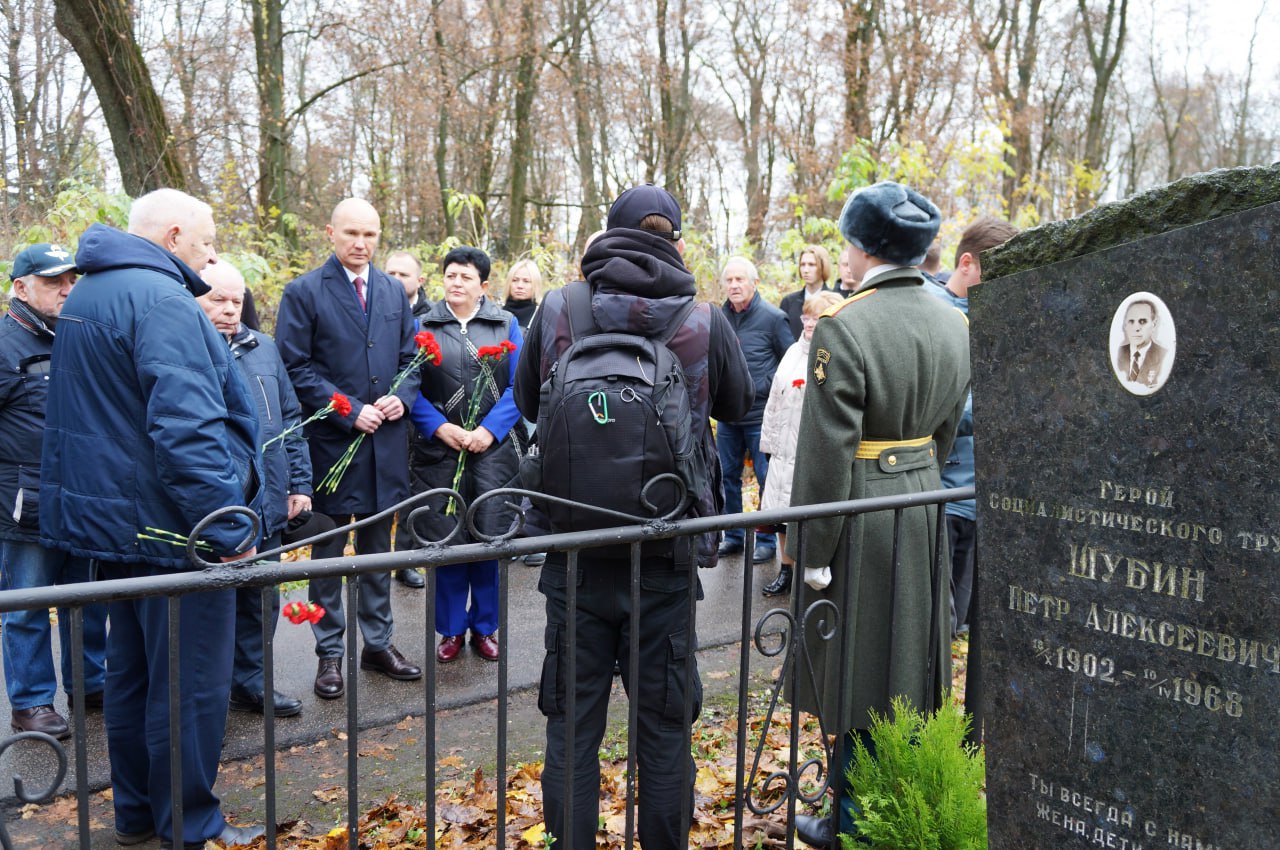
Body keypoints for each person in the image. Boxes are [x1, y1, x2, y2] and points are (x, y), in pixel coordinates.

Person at [515, 184, 753, 850]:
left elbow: (529, 401)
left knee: (572, 728)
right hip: (665, 555)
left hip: (575, 555)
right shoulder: (704, 318)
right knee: (664, 730)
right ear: (675, 239)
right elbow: (738, 405)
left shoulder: (562, 306)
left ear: (608, 232)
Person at [40, 189, 266, 849]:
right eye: (205, 239)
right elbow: (188, 429)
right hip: (175, 533)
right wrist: (227, 532)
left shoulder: (88, 294)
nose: (211, 252)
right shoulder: (162, 299)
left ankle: (138, 814)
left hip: (117, 526)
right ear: (173, 235)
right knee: (190, 688)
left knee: (133, 680)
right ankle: (190, 825)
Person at [786, 181, 970, 848]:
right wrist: (917, 472)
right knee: (907, 674)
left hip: (861, 517)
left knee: (859, 679)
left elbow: (825, 456)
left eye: (848, 242)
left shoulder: (847, 325)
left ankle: (855, 826)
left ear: (865, 248)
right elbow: (945, 433)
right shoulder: (956, 321)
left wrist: (811, 554)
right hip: (921, 508)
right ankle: (874, 812)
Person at [275, 198, 423, 700]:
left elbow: (411, 359)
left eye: (370, 235)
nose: (361, 244)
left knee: (380, 553)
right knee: (329, 557)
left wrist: (401, 397)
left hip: (385, 447)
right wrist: (346, 408)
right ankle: (329, 652)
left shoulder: (392, 291)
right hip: (333, 449)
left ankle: (378, 644)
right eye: (352, 234)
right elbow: (294, 367)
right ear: (330, 233)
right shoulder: (303, 293)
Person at [1, 244, 107, 740]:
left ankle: (89, 685)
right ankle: (31, 702)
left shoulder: (79, 335)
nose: (66, 291)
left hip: (81, 496)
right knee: (26, 604)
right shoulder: (5, 344)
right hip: (23, 502)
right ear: (20, 287)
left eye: (70, 281)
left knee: (85, 598)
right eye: (52, 283)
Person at [197, 262, 311, 717]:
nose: (228, 310)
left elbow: (289, 418)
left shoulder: (264, 348)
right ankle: (207, 698)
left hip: (268, 498)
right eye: (217, 300)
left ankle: (252, 682)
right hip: (213, 503)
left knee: (261, 600)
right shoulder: (184, 350)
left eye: (236, 301)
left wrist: (299, 482)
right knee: (211, 607)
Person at [407, 246, 522, 663]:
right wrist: (440, 427)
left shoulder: (506, 323)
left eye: (465, 277)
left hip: (491, 454)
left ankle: (486, 627)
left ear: (483, 286)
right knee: (447, 540)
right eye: (451, 275)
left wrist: (489, 431)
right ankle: (452, 629)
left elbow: (519, 385)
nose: (456, 283)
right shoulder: (423, 324)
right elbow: (409, 386)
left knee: (489, 541)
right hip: (438, 452)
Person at [927, 215, 1018, 636]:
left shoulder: (1002, 316)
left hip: (980, 494)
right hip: (938, 491)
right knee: (935, 615)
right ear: (966, 263)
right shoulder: (931, 312)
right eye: (991, 272)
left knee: (959, 614)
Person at [756, 290, 844, 597]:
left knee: (804, 514)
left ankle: (810, 570)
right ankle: (786, 570)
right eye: (806, 316)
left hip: (807, 452)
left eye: (817, 318)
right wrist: (768, 445)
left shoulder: (830, 357)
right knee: (780, 515)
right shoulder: (794, 351)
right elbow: (774, 401)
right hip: (783, 450)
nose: (809, 323)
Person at [717, 256, 794, 564]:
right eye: (729, 280)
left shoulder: (773, 318)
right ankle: (733, 535)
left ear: (754, 283)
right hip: (727, 415)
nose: (734, 285)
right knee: (727, 478)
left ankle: (765, 540)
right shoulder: (718, 317)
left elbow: (790, 363)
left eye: (740, 280)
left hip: (761, 417)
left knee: (766, 479)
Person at [778, 244, 833, 339]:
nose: (806, 270)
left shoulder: (834, 301)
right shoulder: (788, 302)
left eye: (812, 265)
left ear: (823, 266)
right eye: (802, 265)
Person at [1115, 299, 1167, 390]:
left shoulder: (1164, 356)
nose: (1136, 328)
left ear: (1154, 325)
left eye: (1142, 321)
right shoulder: (1117, 353)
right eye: (1131, 321)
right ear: (1125, 326)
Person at [386, 249, 431, 323]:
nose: (396, 279)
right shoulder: (371, 310)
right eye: (391, 274)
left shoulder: (435, 316)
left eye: (403, 275)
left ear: (419, 281)